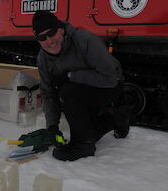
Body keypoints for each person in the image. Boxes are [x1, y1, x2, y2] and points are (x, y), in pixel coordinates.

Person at [32, 10, 130, 161]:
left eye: (51, 33)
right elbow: (48, 93)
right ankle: (115, 118)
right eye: (42, 37)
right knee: (86, 128)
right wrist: (52, 127)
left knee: (67, 90)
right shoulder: (43, 59)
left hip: (109, 87)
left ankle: (84, 145)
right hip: (82, 93)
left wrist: (71, 76)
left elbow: (111, 78)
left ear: (61, 30)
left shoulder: (85, 40)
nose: (49, 41)